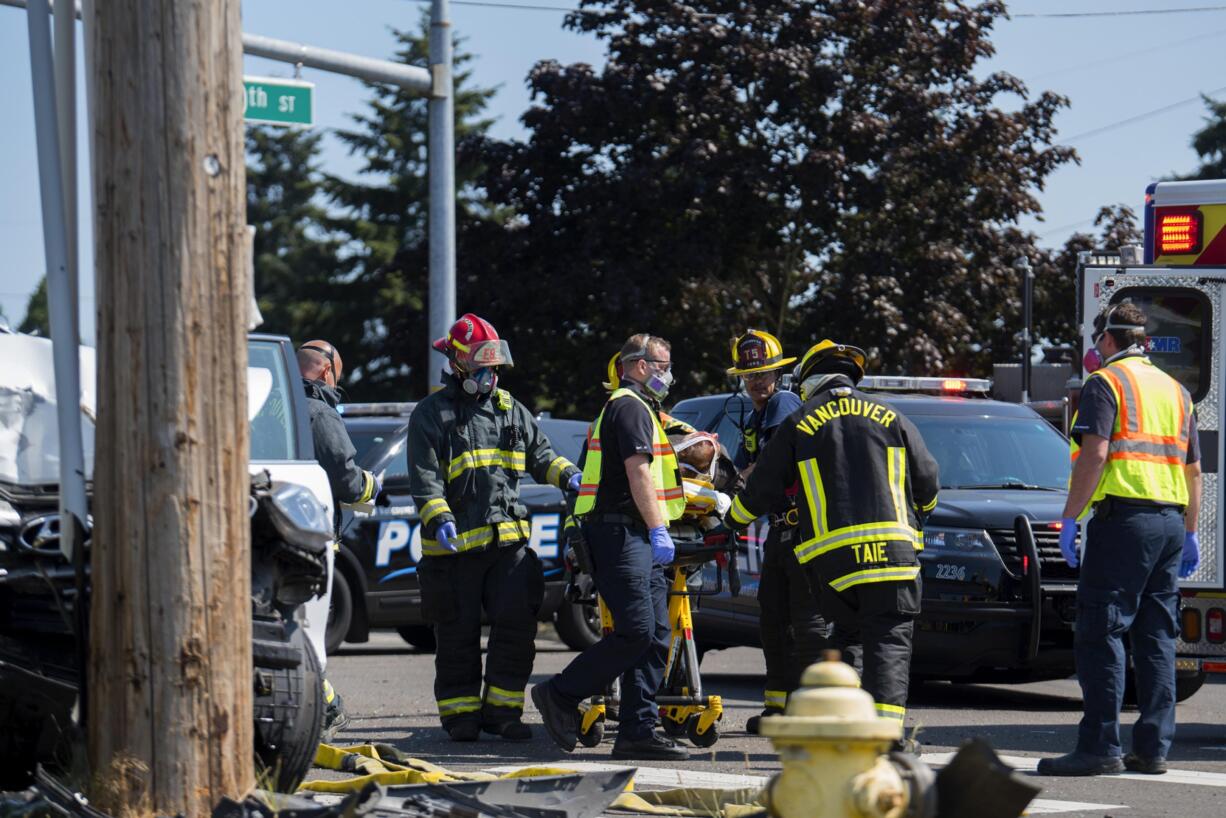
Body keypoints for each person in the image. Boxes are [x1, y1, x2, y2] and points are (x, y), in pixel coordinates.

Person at [724, 340, 939, 741]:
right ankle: (883, 737)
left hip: (834, 563)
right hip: (894, 556)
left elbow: (762, 489)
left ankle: (835, 717)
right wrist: (919, 513)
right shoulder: (892, 416)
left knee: (845, 634)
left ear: (806, 380)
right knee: (888, 641)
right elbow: (927, 480)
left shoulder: (800, 421)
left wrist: (730, 520)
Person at [1038, 303, 1201, 777]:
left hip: (1125, 522)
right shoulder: (1177, 392)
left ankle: (1099, 748)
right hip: (1169, 525)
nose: (1095, 350)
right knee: (1155, 637)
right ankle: (1152, 749)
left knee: (1101, 631)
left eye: (1097, 341)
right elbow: (1194, 470)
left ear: (1109, 339)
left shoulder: (1105, 384)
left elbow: (1097, 452)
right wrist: (1190, 530)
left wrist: (1071, 517)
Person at [408, 314, 580, 742]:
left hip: (508, 547)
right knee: (456, 636)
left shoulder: (511, 411)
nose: (490, 378)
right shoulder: (432, 414)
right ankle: (460, 716)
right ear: (460, 365)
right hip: (453, 552)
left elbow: (543, 455)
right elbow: (425, 477)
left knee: (517, 631)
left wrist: (571, 476)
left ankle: (503, 714)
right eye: (483, 370)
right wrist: (439, 516)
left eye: (495, 370)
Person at [533, 333, 689, 760]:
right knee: (637, 631)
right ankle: (559, 694)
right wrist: (659, 530)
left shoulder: (643, 410)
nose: (667, 374)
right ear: (639, 365)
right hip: (621, 533)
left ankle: (639, 730)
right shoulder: (629, 407)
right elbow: (639, 473)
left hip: (633, 533)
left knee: (656, 634)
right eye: (662, 365)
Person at [727, 330, 828, 734]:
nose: (756, 382)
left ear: (779, 374)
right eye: (750, 376)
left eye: (764, 374)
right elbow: (740, 471)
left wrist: (732, 485)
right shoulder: (755, 415)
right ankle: (778, 706)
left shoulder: (785, 405)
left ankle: (810, 708)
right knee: (773, 617)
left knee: (805, 622)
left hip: (803, 530)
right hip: (779, 531)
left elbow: (765, 468)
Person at [297, 339, 380, 739]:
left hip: (269, 537)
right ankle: (324, 709)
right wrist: (371, 486)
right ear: (328, 372)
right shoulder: (319, 413)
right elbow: (347, 481)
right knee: (308, 634)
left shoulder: (269, 407)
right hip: (311, 542)